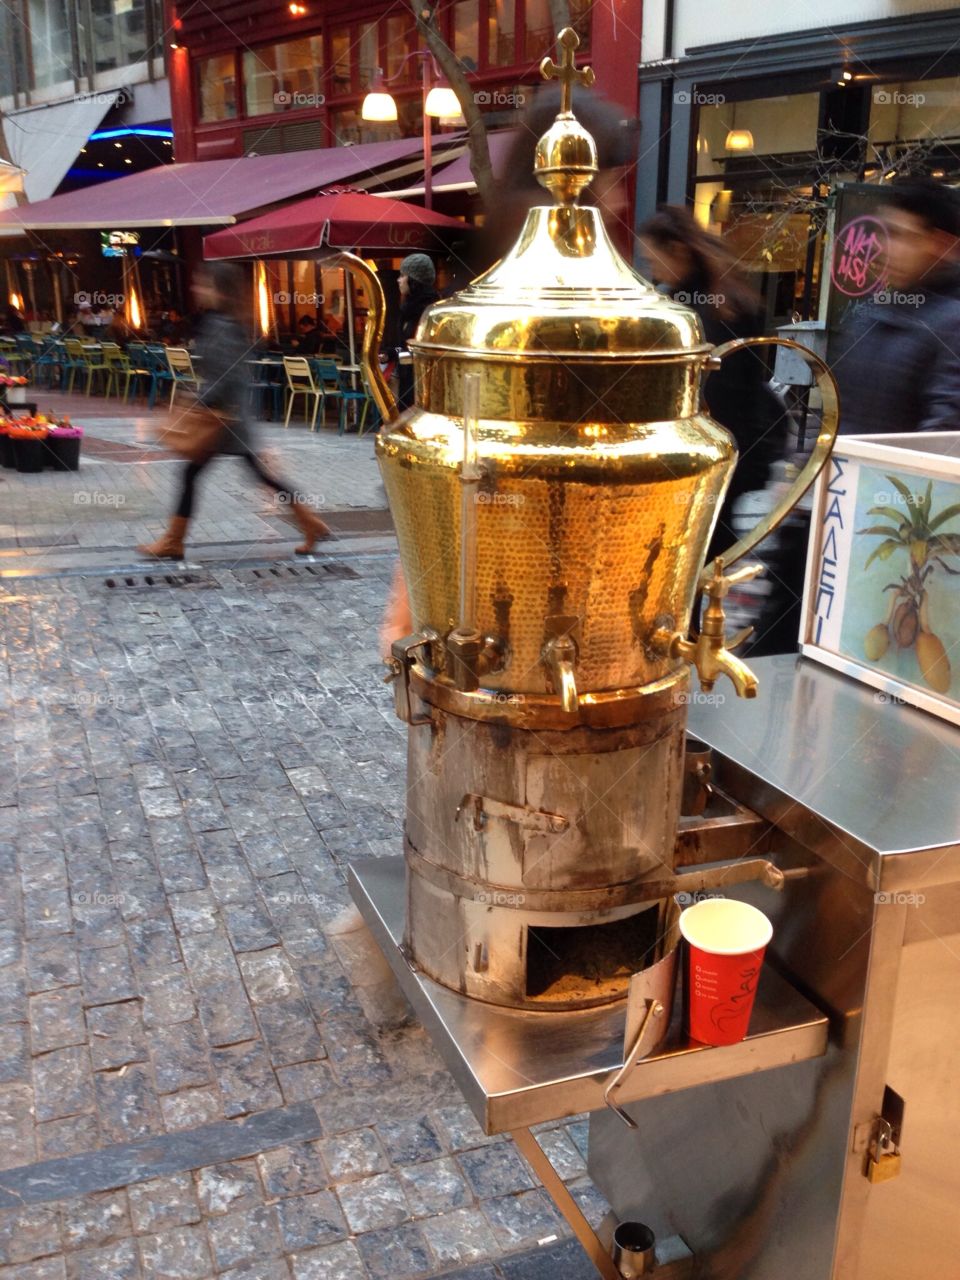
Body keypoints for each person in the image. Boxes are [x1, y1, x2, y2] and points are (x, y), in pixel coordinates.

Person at [138, 262, 331, 561]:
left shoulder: (223, 327)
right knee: (243, 475)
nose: (197, 289)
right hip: (228, 417)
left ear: (219, 290)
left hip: (226, 420)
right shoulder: (222, 322)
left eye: (204, 285)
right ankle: (310, 523)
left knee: (203, 474)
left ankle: (173, 542)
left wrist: (199, 400)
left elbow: (226, 375)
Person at [638, 205, 788, 559]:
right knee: (698, 552)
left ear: (677, 250)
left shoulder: (705, 310)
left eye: (652, 260)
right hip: (732, 450)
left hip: (715, 452)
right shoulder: (719, 297)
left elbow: (722, 396)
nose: (653, 270)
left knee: (689, 553)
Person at [833, 178, 960, 434]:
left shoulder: (953, 324)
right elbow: (841, 418)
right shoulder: (872, 313)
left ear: (941, 245)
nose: (885, 248)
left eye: (903, 236)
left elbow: (940, 439)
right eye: (885, 233)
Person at [392, 254, 438, 411]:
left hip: (421, 384)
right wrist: (391, 354)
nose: (399, 280)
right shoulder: (407, 308)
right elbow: (403, 344)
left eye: (403, 275)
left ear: (414, 280)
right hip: (407, 378)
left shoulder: (429, 310)